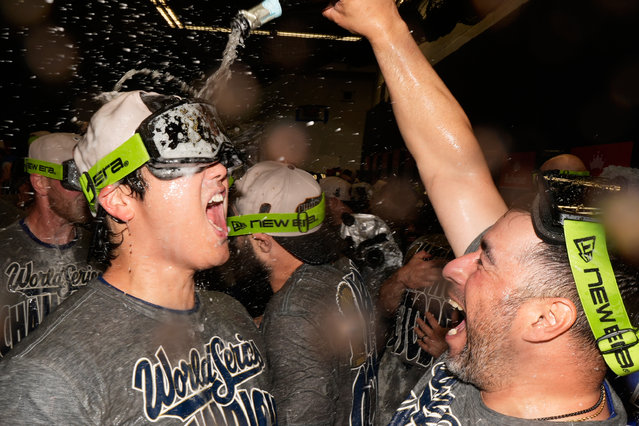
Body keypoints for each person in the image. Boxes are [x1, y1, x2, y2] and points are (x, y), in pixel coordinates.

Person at [324, 1, 636, 424]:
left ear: (547, 318)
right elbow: (454, 169)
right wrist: (386, 29)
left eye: (484, 259)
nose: (455, 265)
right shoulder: (502, 344)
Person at [0, 91, 276, 424]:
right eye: (184, 157)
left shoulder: (233, 317)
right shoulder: (50, 378)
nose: (220, 171)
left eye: (217, 155)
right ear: (118, 199)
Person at [227, 160, 378, 425]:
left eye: (239, 232)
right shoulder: (344, 269)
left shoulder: (291, 314)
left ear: (262, 240)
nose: (235, 242)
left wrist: (282, 326)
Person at [0, 132, 99, 357]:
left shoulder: (104, 250)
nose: (87, 189)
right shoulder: (4, 252)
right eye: (75, 176)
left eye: (92, 176)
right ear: (41, 182)